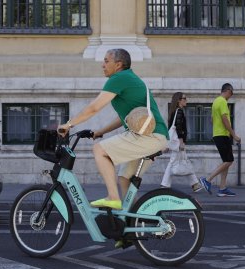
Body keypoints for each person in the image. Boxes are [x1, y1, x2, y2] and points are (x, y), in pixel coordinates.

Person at [58, 48, 168, 211]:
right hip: (156, 136)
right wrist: (101, 131)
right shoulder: (129, 78)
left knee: (99, 150)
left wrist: (68, 124)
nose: (102, 65)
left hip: (149, 137)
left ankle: (113, 197)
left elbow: (94, 108)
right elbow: (125, 118)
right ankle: (132, 223)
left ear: (118, 64)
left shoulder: (119, 78)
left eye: (106, 61)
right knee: (124, 178)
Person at [200, 83, 241, 197]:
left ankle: (222, 188)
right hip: (222, 135)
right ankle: (207, 180)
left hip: (218, 135)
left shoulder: (215, 101)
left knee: (226, 161)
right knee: (229, 161)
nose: (231, 95)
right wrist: (234, 135)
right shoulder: (222, 101)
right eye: (231, 93)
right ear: (228, 90)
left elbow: (212, 120)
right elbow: (225, 120)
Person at [160, 92, 203, 192]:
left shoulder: (174, 111)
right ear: (179, 100)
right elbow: (179, 128)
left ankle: (194, 184)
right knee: (179, 161)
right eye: (184, 98)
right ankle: (165, 185)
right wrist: (181, 141)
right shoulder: (179, 111)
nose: (186, 100)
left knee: (181, 160)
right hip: (178, 142)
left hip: (175, 142)